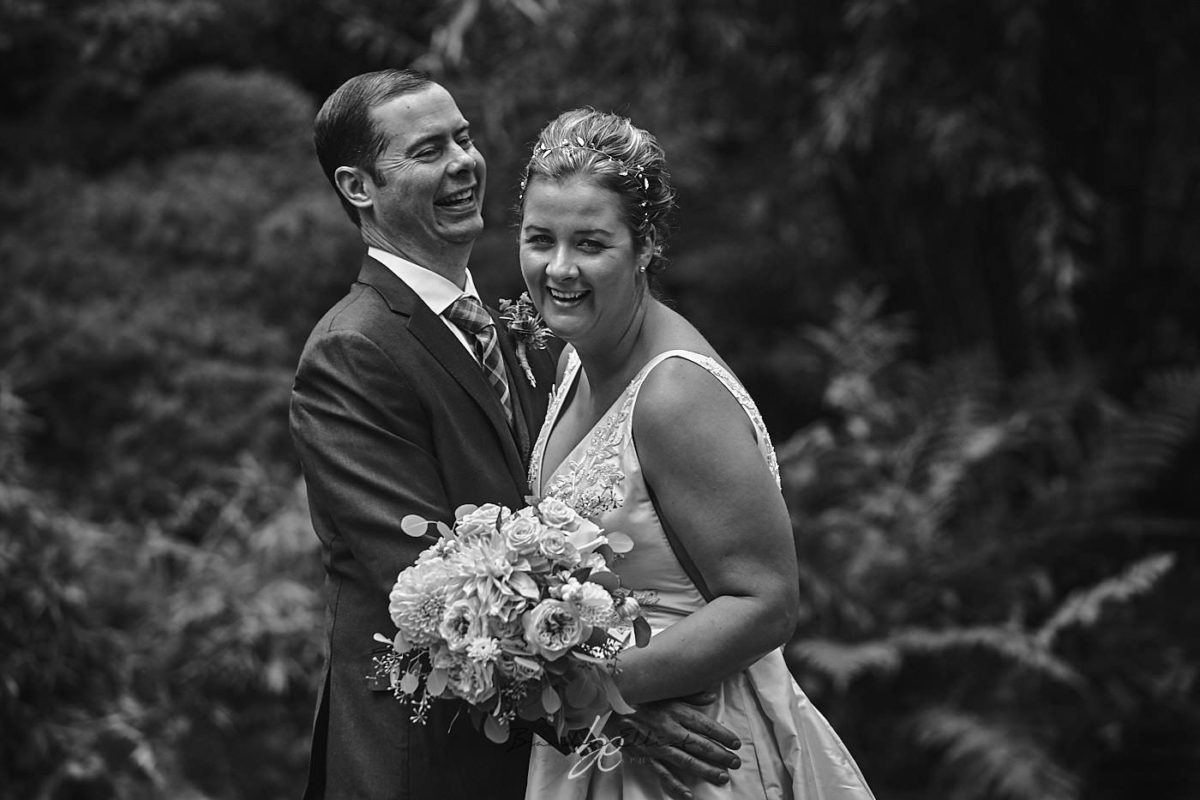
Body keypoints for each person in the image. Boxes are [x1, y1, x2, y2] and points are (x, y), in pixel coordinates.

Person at [290, 70, 741, 800]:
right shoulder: (354, 350)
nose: (464, 163)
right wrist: (613, 705)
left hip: (535, 762)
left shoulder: (521, 325)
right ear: (359, 187)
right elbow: (427, 585)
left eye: (464, 138)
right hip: (427, 764)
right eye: (429, 150)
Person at [517, 108, 877, 798]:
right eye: (540, 239)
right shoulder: (576, 359)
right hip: (605, 745)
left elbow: (765, 601)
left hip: (696, 756)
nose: (559, 268)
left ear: (645, 246)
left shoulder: (675, 394)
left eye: (590, 243)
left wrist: (591, 688)